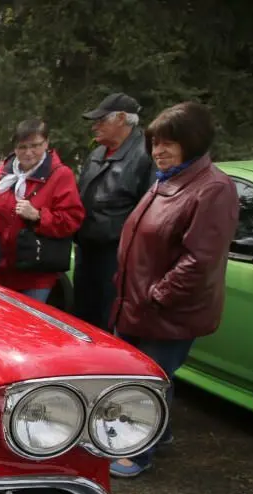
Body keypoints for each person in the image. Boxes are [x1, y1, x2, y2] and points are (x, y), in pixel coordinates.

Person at [108, 101, 240, 478]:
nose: (158, 151)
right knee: (151, 376)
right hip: (137, 302)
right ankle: (159, 435)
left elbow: (200, 260)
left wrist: (158, 296)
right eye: (155, 143)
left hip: (167, 311)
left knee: (146, 381)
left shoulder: (213, 189)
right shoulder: (168, 179)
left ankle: (137, 452)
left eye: (169, 143)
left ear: (192, 142)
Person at [73, 92, 156, 330]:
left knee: (106, 322)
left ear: (121, 118)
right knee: (81, 318)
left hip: (117, 256)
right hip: (87, 249)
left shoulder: (145, 155)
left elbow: (150, 213)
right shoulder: (97, 153)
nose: (95, 127)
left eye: (101, 121)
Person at [0, 119, 86, 302]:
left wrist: (38, 216)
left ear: (46, 143)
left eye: (35, 146)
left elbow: (72, 220)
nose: (28, 152)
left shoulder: (60, 175)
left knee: (25, 319)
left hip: (35, 274)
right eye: (22, 147)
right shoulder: (1, 174)